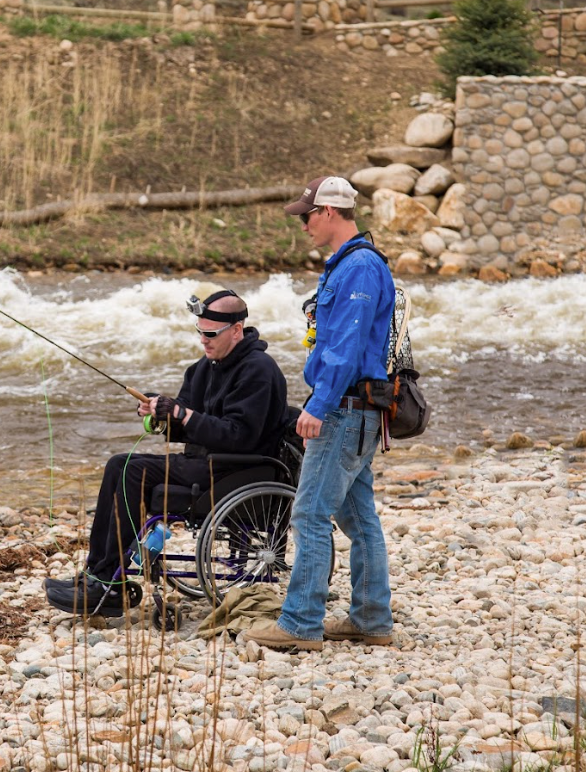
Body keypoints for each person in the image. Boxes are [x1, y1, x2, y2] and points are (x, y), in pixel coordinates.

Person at [44, 289, 288, 617]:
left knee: (131, 469)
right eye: (199, 331)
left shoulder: (259, 370)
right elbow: (186, 426)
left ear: (236, 329)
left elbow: (238, 435)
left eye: (211, 333)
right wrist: (162, 416)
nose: (203, 340)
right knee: (119, 464)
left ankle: (106, 584)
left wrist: (180, 413)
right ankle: (99, 574)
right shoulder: (203, 368)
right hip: (203, 462)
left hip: (237, 468)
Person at [243, 176, 396, 652]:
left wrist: (318, 405)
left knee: (309, 513)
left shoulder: (359, 268)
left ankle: (301, 623)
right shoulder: (349, 265)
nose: (303, 224)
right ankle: (372, 619)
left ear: (329, 212)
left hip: (345, 410)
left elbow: (346, 347)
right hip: (360, 410)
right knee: (358, 515)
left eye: (307, 215)